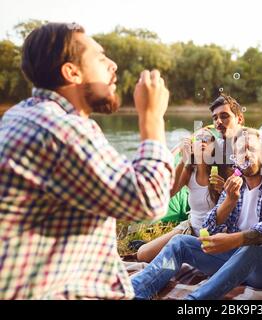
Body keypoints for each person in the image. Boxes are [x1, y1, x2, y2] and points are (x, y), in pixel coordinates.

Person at [0, 23, 173, 299]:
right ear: (72, 72)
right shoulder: (60, 129)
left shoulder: (22, 115)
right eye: (101, 58)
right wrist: (151, 117)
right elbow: (148, 199)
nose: (113, 65)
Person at [131, 128, 262, 300]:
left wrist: (237, 239)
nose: (246, 154)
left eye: (251, 148)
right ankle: (134, 291)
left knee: (258, 242)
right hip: (237, 266)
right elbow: (207, 229)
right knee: (180, 242)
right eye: (241, 151)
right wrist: (229, 202)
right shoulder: (234, 188)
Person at [136, 126, 226, 262]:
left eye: (208, 139)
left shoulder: (223, 172)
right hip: (190, 227)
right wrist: (184, 160)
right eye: (198, 138)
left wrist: (224, 189)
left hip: (215, 233)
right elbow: (169, 194)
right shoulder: (189, 171)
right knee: (142, 254)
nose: (203, 141)